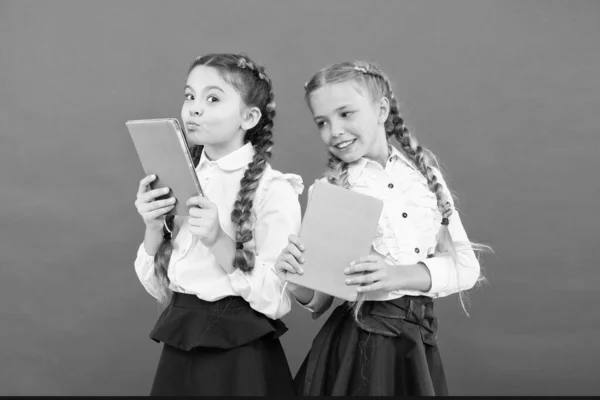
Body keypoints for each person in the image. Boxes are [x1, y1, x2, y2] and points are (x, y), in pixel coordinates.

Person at [276, 60, 489, 396]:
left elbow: (466, 267)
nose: (335, 131)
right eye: (322, 122)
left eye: (346, 114)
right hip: (359, 349)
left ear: (381, 109)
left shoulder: (424, 177)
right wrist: (294, 278)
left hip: (415, 344)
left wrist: (396, 275)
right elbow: (319, 299)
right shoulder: (331, 190)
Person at [133, 53, 302, 396]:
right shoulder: (180, 176)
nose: (194, 108)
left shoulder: (274, 189)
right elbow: (160, 287)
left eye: (212, 99)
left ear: (249, 116)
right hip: (180, 346)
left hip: (239, 356)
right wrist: (153, 228)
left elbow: (278, 298)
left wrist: (217, 239)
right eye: (189, 96)